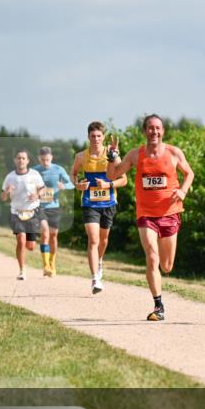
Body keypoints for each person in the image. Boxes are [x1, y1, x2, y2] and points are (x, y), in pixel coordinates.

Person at [107, 114, 194, 321]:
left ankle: (160, 294)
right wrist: (111, 157)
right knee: (152, 257)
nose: (154, 131)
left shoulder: (173, 152)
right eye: (150, 128)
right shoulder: (136, 155)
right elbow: (112, 175)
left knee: (167, 265)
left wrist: (183, 190)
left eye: (158, 128)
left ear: (162, 131)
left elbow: (189, 173)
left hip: (170, 213)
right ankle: (158, 306)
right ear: (145, 131)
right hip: (146, 214)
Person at [72, 122, 127, 293]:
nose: (96, 139)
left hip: (108, 203)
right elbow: (73, 174)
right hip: (89, 203)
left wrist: (108, 185)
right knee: (93, 239)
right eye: (93, 136)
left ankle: (100, 260)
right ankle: (95, 278)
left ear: (103, 137)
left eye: (99, 136)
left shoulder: (112, 156)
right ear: (88, 137)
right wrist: (77, 185)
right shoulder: (81, 156)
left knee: (103, 240)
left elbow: (124, 180)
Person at [1, 150, 49, 280]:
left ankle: (26, 251)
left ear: (27, 161)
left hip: (32, 212)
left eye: (23, 158)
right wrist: (7, 191)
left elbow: (43, 189)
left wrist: (37, 195)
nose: (21, 160)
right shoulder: (10, 177)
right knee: (21, 239)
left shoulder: (34, 174)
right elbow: (3, 197)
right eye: (18, 158)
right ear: (15, 160)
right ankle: (22, 270)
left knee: (31, 246)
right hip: (16, 213)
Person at [33, 146, 73, 276]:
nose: (45, 163)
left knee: (54, 236)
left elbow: (71, 183)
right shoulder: (34, 171)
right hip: (39, 207)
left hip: (54, 207)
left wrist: (64, 186)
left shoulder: (58, 169)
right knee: (45, 233)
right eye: (43, 160)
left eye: (47, 160)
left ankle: (52, 263)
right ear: (39, 158)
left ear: (52, 158)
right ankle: (45, 266)